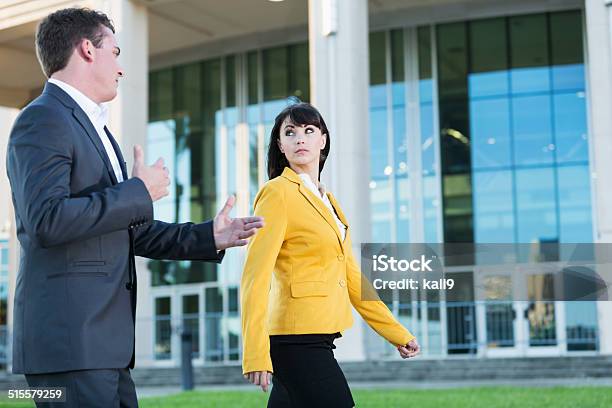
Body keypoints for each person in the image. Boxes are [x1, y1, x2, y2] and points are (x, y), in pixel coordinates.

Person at [5, 8, 263, 407]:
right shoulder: (42, 119)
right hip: (70, 345)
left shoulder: (97, 129)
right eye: (116, 51)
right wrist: (138, 191)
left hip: (103, 349)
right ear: (87, 49)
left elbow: (129, 229)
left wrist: (208, 236)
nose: (122, 67)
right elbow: (46, 219)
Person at [240, 102, 420, 407]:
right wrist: (255, 351)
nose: (300, 139)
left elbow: (351, 277)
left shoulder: (328, 201)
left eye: (309, 131)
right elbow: (254, 276)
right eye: (290, 132)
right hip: (296, 338)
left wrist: (396, 332)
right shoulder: (277, 193)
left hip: (319, 334)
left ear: (322, 140)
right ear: (280, 145)